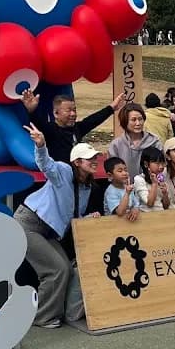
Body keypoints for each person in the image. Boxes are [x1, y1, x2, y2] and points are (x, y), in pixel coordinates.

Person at [14, 123, 104, 327]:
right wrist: (41, 145)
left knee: (66, 269)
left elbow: (73, 216)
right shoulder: (63, 171)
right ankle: (42, 317)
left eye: (95, 157)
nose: (94, 161)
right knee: (56, 270)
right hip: (29, 224)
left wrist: (88, 218)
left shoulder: (86, 187)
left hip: (48, 231)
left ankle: (61, 312)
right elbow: (46, 164)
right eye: (90, 158)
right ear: (77, 162)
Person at [21, 89, 126, 164]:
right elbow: (37, 124)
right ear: (56, 113)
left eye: (74, 110)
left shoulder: (77, 128)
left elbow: (93, 120)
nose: (73, 114)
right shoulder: (50, 130)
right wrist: (31, 110)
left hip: (78, 177)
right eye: (68, 111)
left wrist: (111, 108)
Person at [107, 103, 163, 181]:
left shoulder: (154, 142)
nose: (138, 123)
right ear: (125, 121)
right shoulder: (116, 145)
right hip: (125, 186)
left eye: (140, 119)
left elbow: (162, 168)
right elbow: (112, 172)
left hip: (151, 185)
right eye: (133, 120)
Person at [103, 157, 140, 221]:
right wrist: (127, 193)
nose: (125, 173)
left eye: (125, 170)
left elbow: (136, 204)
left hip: (127, 221)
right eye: (120, 171)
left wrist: (135, 209)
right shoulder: (110, 191)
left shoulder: (127, 187)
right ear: (110, 175)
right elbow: (120, 212)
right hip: (113, 223)